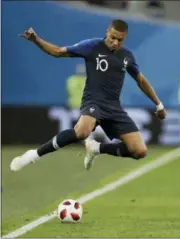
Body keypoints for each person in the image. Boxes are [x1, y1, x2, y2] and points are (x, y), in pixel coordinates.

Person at [10, 19, 167, 172]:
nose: (115, 43)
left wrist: (158, 104)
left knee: (139, 151)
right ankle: (34, 154)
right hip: (94, 101)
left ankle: (96, 148)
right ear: (107, 32)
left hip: (114, 107)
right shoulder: (92, 46)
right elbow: (58, 52)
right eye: (113, 38)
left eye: (120, 40)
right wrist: (36, 39)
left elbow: (140, 80)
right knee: (82, 131)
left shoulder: (126, 56)